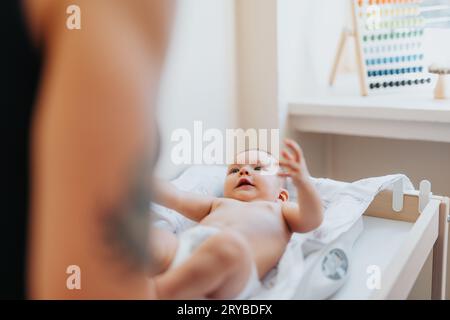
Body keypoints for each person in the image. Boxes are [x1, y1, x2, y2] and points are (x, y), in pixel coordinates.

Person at [1, 0, 174, 299]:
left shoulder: (265, 212)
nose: (244, 173)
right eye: (237, 167)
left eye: (258, 168)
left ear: (282, 191)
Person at [151, 139, 323, 299]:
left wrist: (304, 183)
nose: (244, 171)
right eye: (234, 170)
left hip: (235, 270)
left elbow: (312, 219)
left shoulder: (280, 208)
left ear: (281, 195)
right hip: (187, 250)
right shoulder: (217, 203)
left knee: (228, 246)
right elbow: (177, 197)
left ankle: (157, 291)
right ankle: (132, 276)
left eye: (258, 168)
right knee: (156, 237)